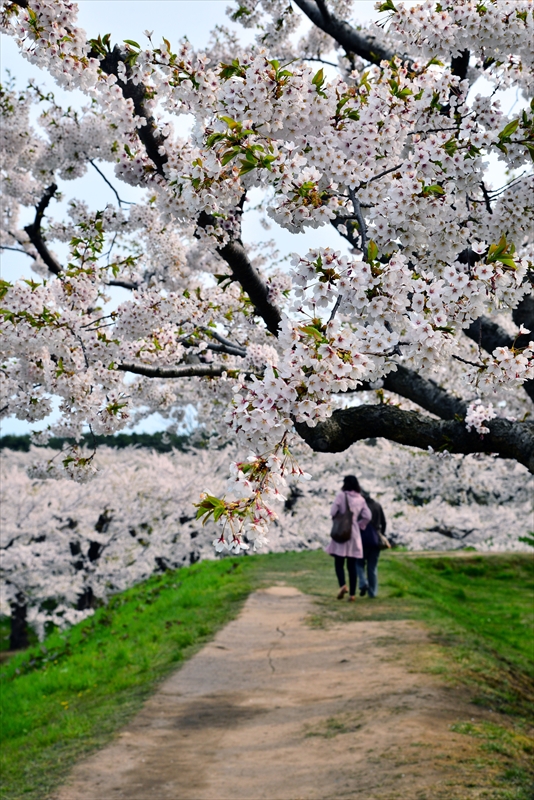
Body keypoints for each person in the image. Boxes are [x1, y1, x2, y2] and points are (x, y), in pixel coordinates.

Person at [326, 475, 371, 602]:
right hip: (354, 533)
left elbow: (332, 512)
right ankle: (352, 594)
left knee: (339, 563)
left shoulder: (341, 496)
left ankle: (343, 585)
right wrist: (360, 524)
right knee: (352, 566)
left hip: (341, 532)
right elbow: (368, 516)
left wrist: (338, 518)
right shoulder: (361, 499)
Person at [356, 492, 387, 598]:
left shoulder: (360, 508)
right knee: (372, 567)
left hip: (362, 540)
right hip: (375, 540)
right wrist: (381, 534)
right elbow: (384, 522)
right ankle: (372, 592)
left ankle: (363, 582)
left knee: (359, 563)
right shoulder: (377, 506)